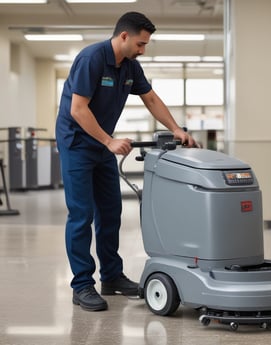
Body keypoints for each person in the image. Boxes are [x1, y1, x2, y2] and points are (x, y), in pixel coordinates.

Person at [55, 11, 197, 312]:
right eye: (141, 44)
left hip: (101, 145)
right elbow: (78, 110)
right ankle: (82, 285)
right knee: (81, 215)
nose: (143, 50)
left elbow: (151, 99)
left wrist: (176, 129)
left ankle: (111, 277)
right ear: (124, 36)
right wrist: (108, 140)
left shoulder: (130, 66)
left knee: (111, 211)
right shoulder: (92, 58)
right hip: (78, 144)